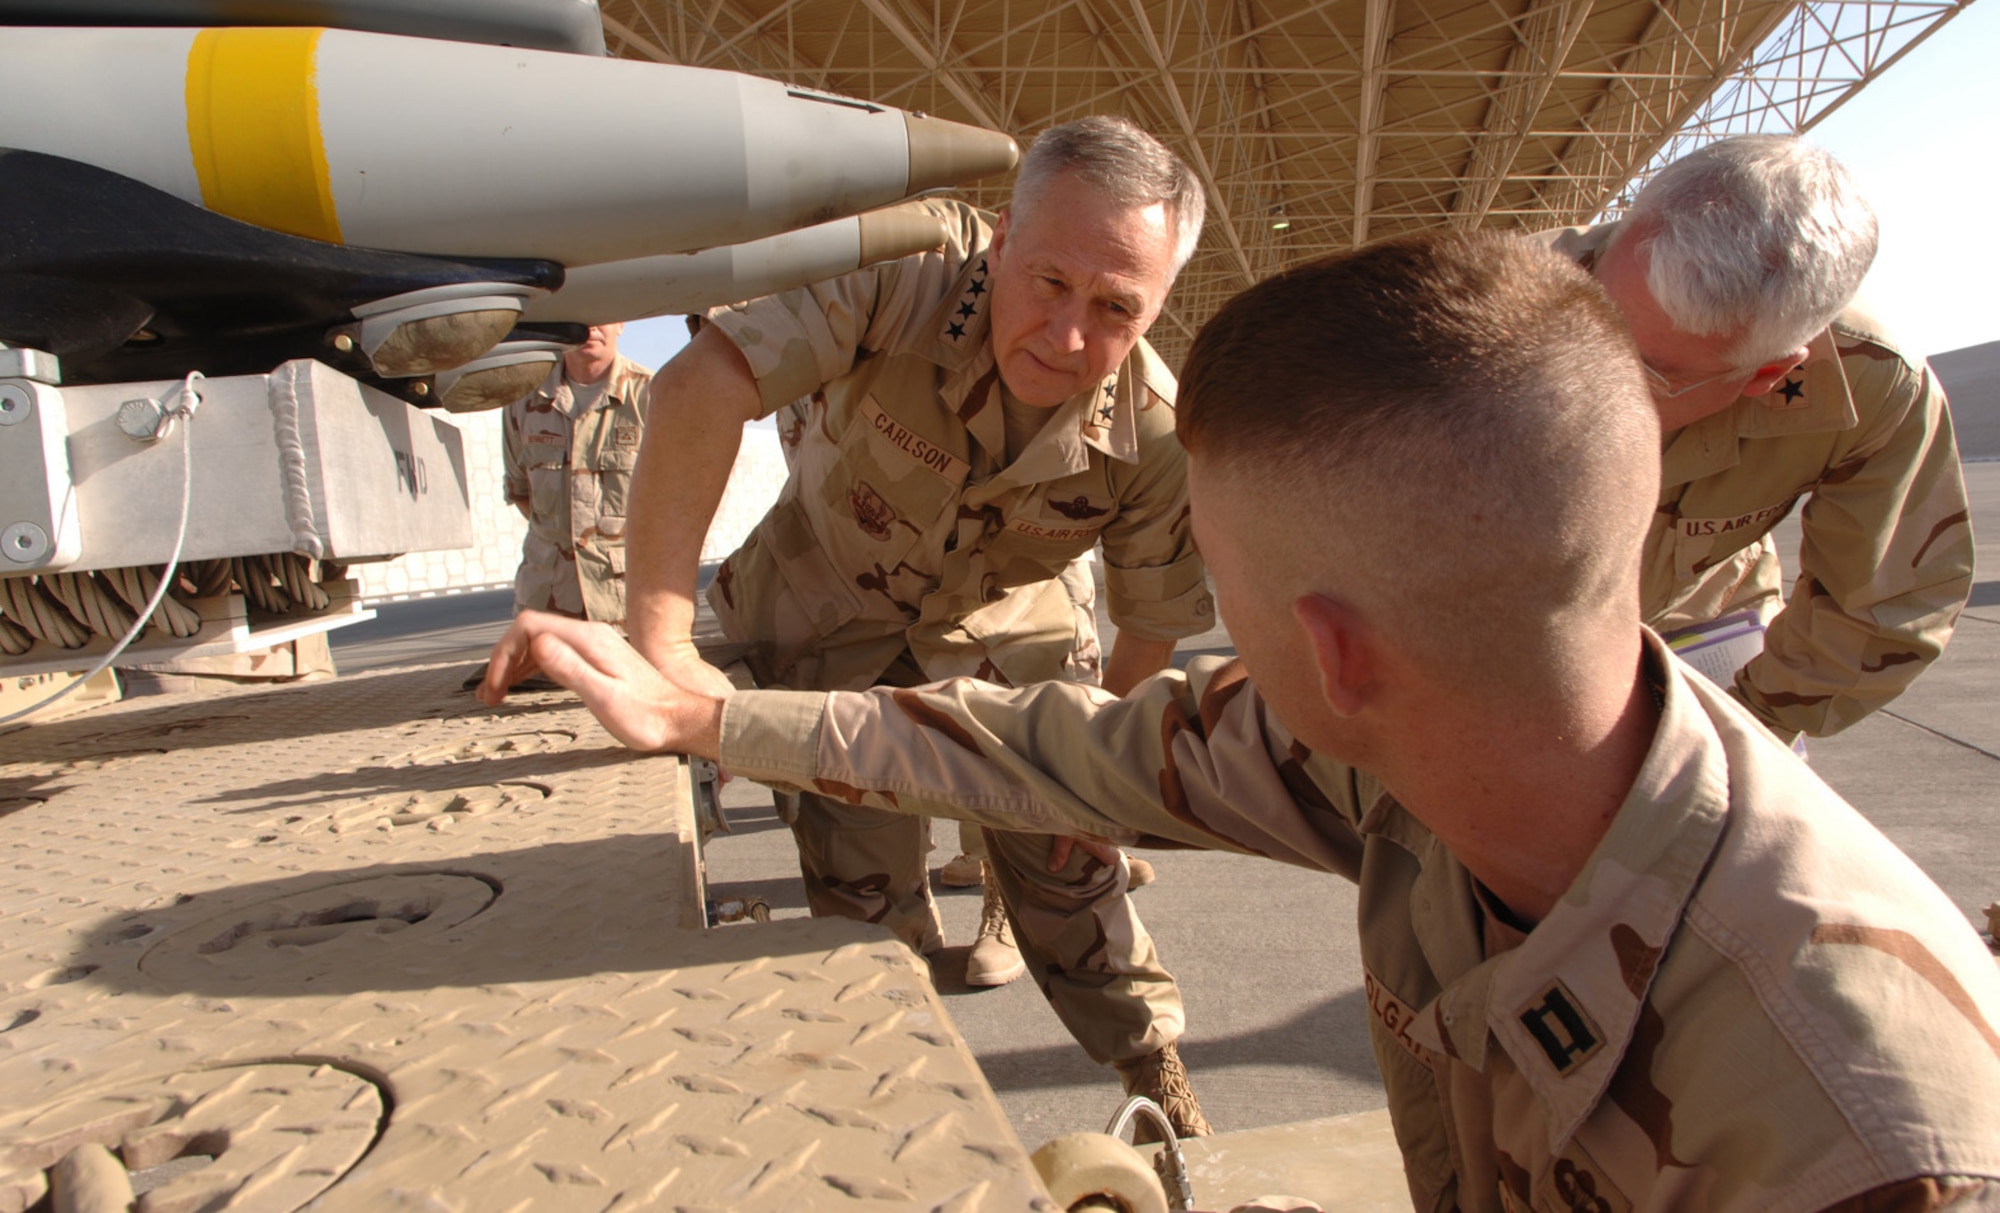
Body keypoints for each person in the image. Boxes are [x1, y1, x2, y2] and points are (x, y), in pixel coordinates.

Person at [484, 230, 2000, 1210]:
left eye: (1226, 581)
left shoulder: (1849, 1130)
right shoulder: (1410, 755)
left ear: (1334, 652)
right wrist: (707, 712)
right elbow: (1041, 743)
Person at [618, 117, 1217, 1136]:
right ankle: (904, 1127)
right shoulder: (901, 274)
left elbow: (1148, 622)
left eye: (1117, 306)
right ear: (998, 239)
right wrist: (661, 649)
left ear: (1159, 303)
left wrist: (1097, 774)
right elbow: (700, 384)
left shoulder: (1152, 434)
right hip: (825, 622)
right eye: (1048, 282)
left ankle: (1156, 1078)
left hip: (1005, 644)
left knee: (1075, 878)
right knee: (861, 909)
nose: (1069, 336)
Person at [1547, 136, 1973, 743]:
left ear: (1768, 374)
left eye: (1651, 369)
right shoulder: (1460, 310)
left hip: (1694, 643)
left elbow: (1881, 606)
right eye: (1593, 319)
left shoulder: (1868, 383)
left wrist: (1740, 733)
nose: (1599, 372)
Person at [501, 321, 652, 624]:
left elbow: (678, 501)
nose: (590, 326)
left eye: (602, 315)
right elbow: (520, 493)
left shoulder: (652, 395)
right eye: (580, 314)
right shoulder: (524, 399)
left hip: (626, 606)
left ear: (621, 324)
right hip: (547, 605)